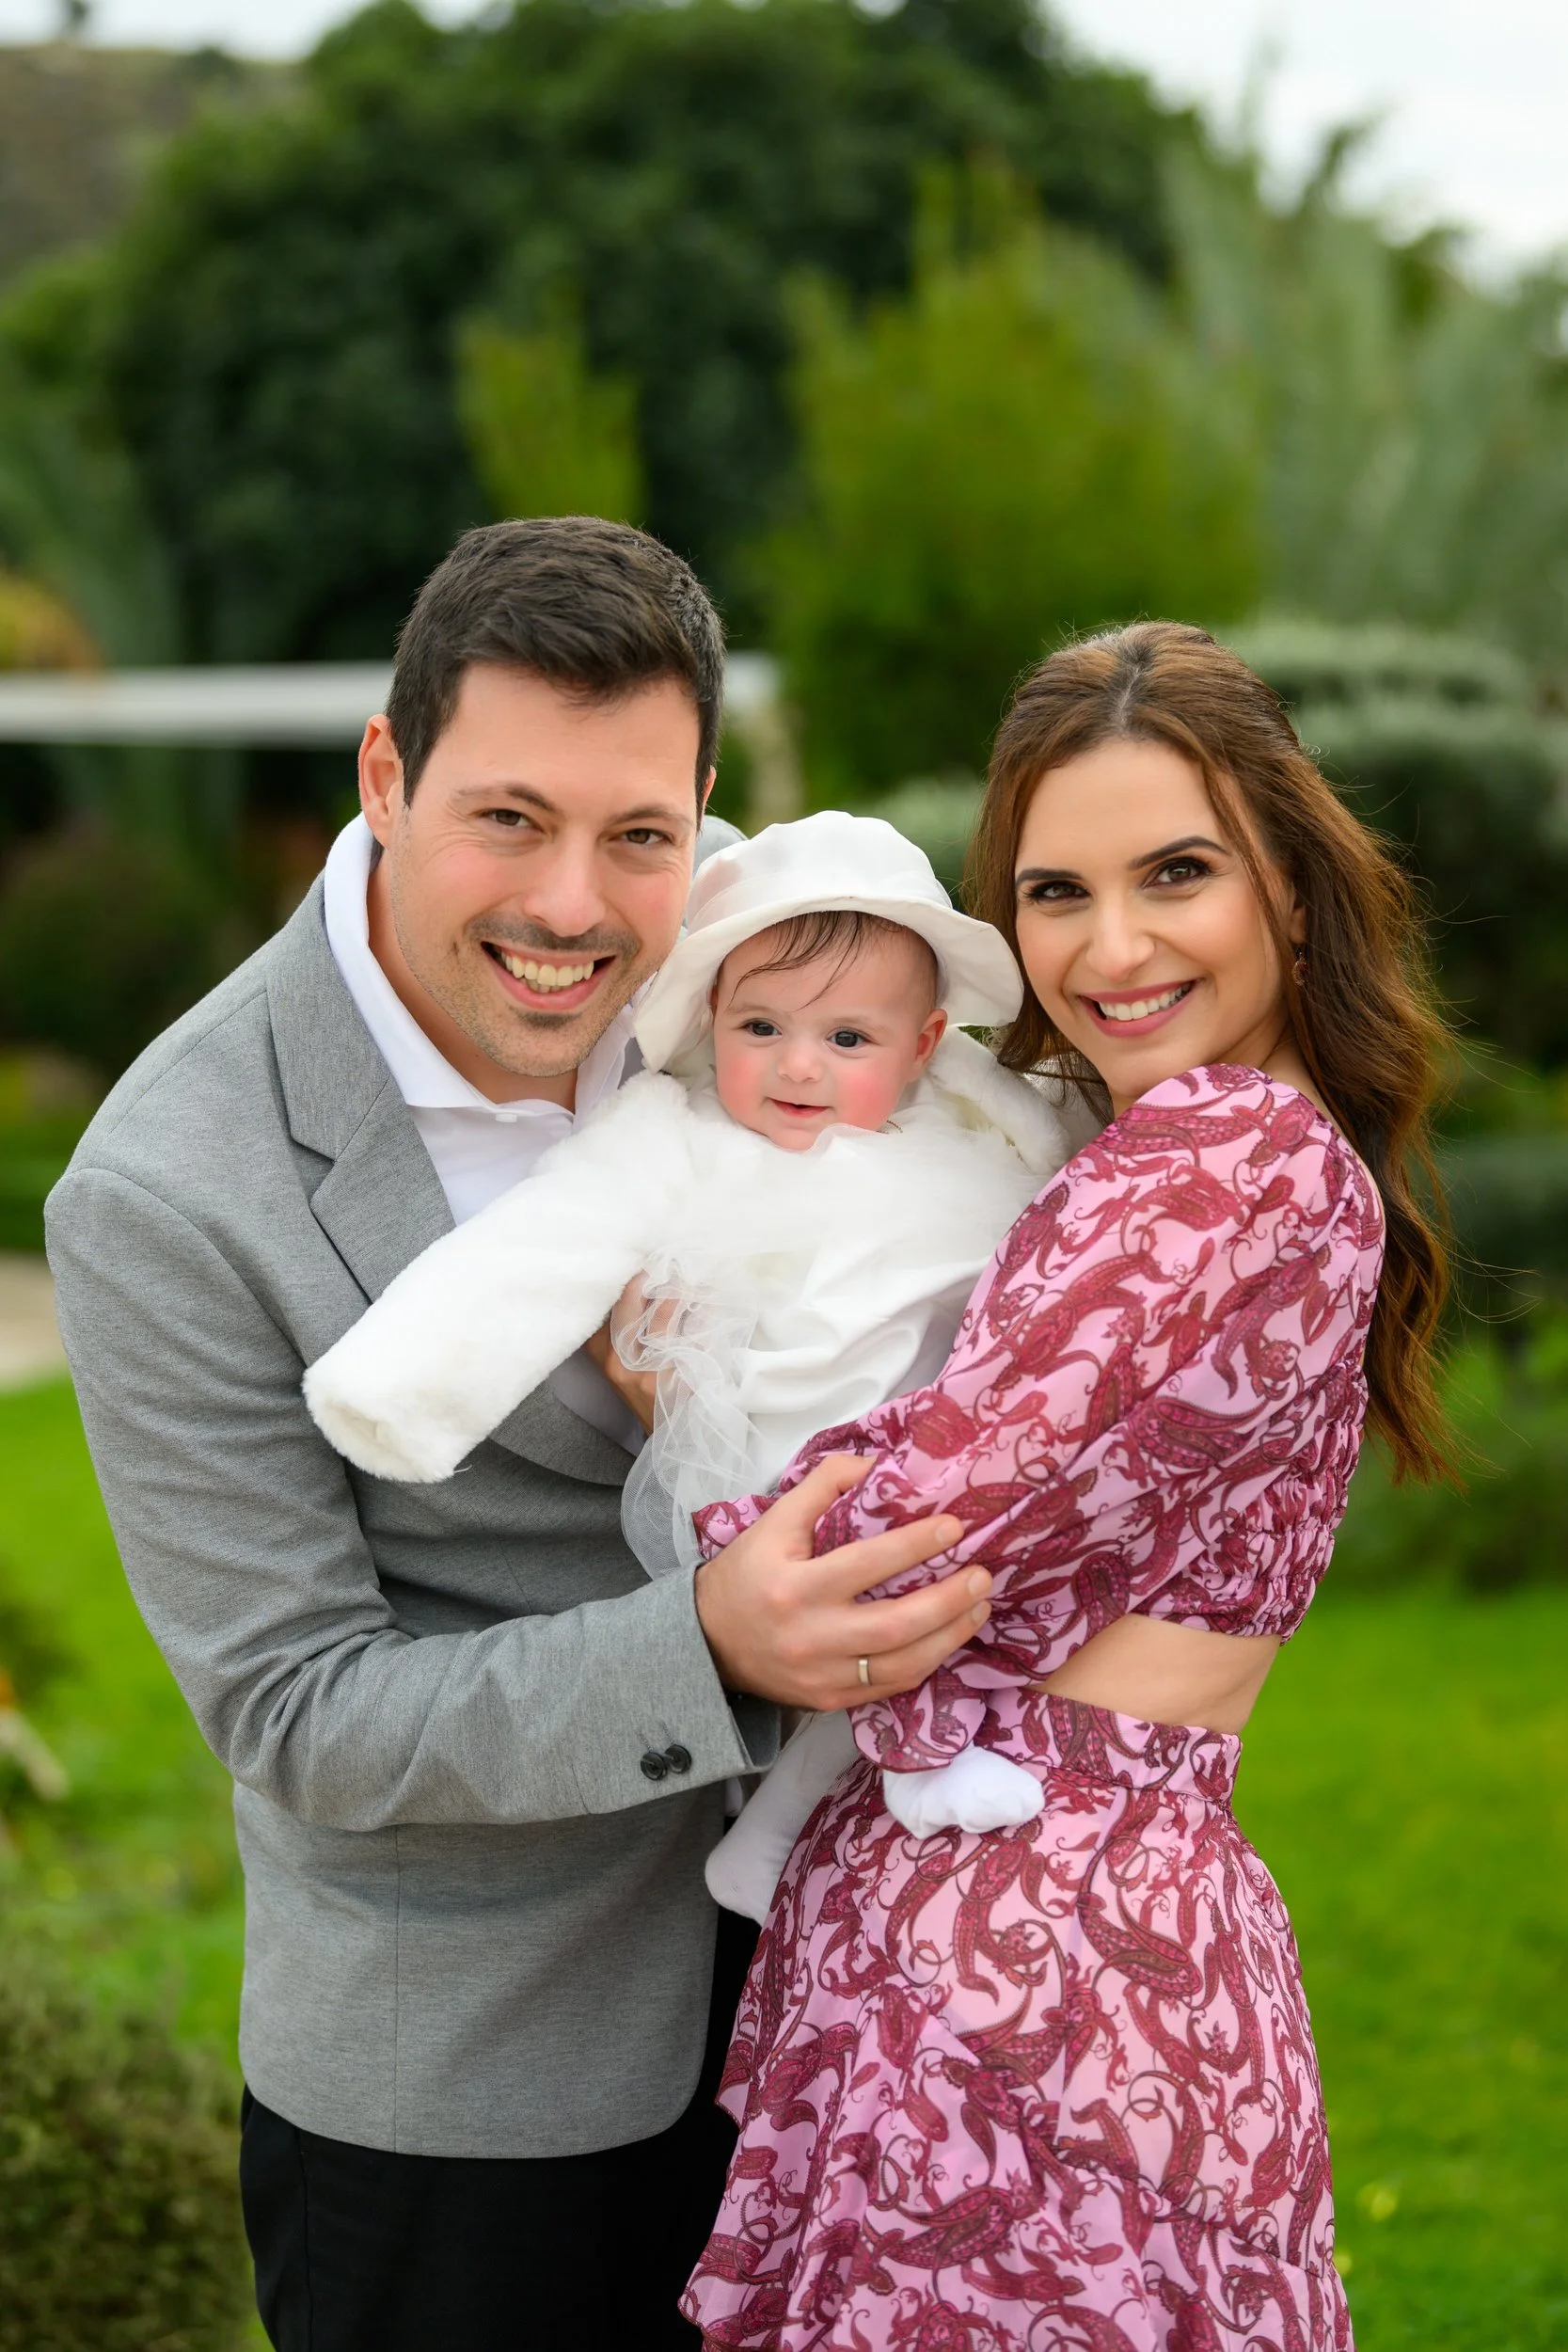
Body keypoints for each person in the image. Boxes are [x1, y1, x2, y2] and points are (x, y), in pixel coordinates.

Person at [43, 516, 991, 2352]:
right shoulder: (166, 1189)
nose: (573, 901)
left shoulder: (776, 945)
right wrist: (705, 1644)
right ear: (385, 773)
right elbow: (299, 1709)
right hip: (476, 2095)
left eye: (639, 831)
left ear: (702, 804)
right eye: (507, 818)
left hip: (856, 2006)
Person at [682, 620, 1454, 2352]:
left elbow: (899, 1542)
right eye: (1052, 894)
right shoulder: (1196, 1149)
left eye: (1175, 873)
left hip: (1042, 1963)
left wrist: (692, 1434)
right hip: (1098, 1919)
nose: (1109, 948)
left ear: (1291, 885)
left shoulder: (1223, 1162)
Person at [303, 810, 1102, 1918]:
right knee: (861, 1605)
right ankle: (883, 1775)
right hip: (757, 1467)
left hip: (938, 1468)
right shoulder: (671, 1130)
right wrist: (401, 1386)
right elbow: (542, 1242)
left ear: (925, 1044)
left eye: (847, 1040)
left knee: (975, 1589)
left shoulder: (962, 1133)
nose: (796, 1066)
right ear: (710, 1017)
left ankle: (773, 1834)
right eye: (760, 1024)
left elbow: (1071, 1157)